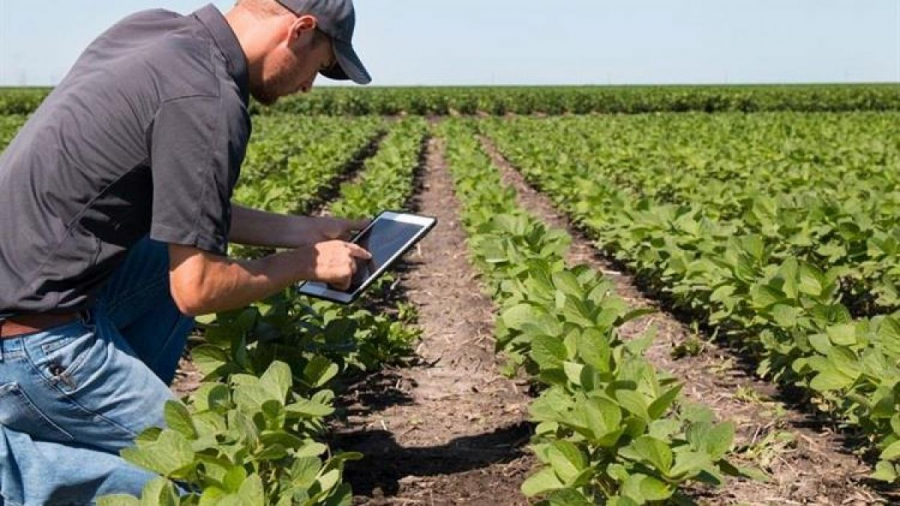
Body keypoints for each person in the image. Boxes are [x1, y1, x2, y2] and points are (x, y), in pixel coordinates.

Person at [0, 0, 372, 503]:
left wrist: (306, 231)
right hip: (33, 344)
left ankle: (104, 430)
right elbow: (197, 288)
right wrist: (307, 263)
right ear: (300, 31)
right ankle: (20, 472)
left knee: (159, 255)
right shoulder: (210, 99)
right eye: (322, 67)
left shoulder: (153, 31)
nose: (308, 85)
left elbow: (186, 209)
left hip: (26, 299)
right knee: (215, 476)